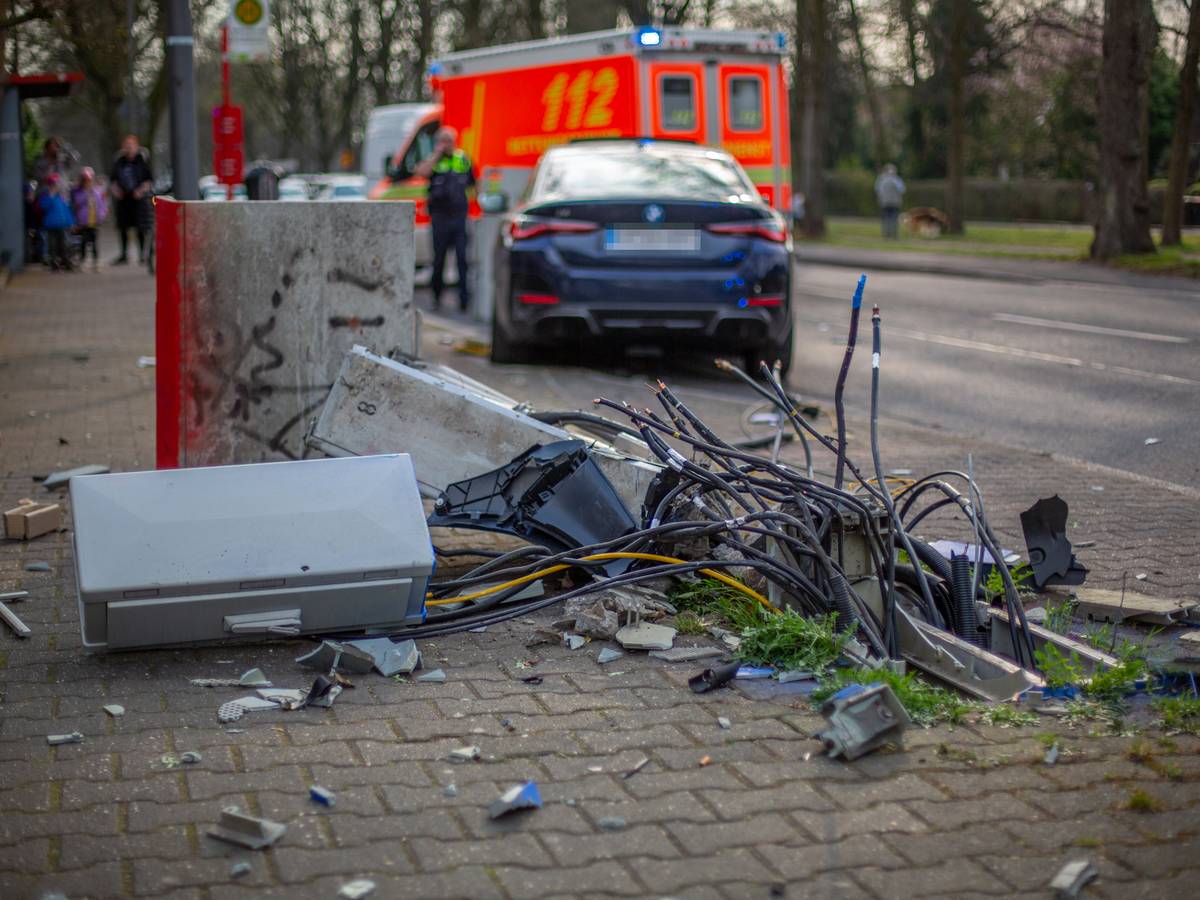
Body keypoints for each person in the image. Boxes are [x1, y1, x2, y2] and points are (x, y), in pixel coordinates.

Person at [415, 127, 476, 312]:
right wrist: (436, 155)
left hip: (459, 217)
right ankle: (436, 297)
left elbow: (473, 184)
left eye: (449, 141)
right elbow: (422, 172)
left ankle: (464, 300)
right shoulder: (434, 160)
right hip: (439, 218)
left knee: (462, 260)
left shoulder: (462, 159)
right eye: (443, 140)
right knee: (439, 260)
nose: (446, 144)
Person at [110, 134, 154, 265]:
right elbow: (113, 180)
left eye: (131, 145)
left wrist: (141, 191)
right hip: (123, 199)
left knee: (140, 227)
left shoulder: (142, 162)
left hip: (138, 200)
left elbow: (149, 180)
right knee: (123, 227)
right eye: (126, 145)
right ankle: (124, 254)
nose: (128, 148)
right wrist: (116, 190)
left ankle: (142, 254)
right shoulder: (119, 162)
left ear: (136, 146)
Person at [71, 167, 107, 270]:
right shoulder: (78, 192)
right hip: (83, 221)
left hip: (94, 221)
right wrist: (87, 193)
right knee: (83, 241)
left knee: (94, 242)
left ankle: (96, 261)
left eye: (89, 180)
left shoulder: (97, 191)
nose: (88, 182)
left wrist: (102, 215)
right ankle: (82, 260)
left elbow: (102, 204)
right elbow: (77, 202)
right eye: (85, 180)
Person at [38, 173, 75, 271]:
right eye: (54, 184)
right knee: (52, 245)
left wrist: (71, 222)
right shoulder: (46, 196)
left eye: (57, 184)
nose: (56, 186)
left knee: (64, 244)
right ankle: (54, 263)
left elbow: (67, 211)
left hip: (62, 225)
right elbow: (43, 206)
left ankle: (66, 261)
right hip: (51, 225)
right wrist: (51, 195)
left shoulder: (61, 198)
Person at [874, 163, 905, 239]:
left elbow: (877, 190)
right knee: (893, 217)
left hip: (885, 201)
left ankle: (886, 233)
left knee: (886, 217)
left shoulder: (881, 179)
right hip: (895, 201)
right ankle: (893, 234)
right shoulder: (896, 179)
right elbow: (902, 190)